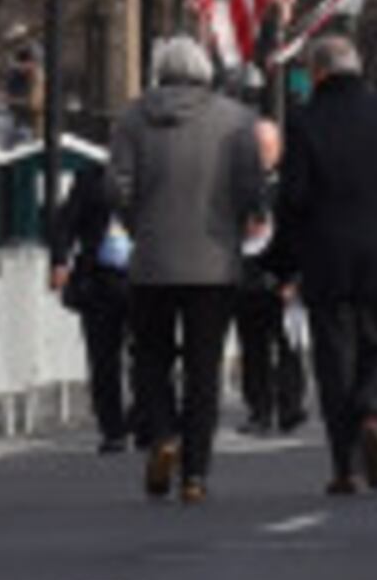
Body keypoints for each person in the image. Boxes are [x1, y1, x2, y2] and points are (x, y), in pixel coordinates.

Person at [110, 35, 267, 505]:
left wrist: (140, 224)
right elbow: (252, 190)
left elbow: (117, 188)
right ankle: (195, 471)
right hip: (214, 261)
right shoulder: (236, 121)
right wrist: (237, 224)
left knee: (150, 359)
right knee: (204, 368)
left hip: (153, 259)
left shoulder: (132, 119)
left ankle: (162, 435)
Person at [274, 35, 377, 495]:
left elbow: (294, 199)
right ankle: (374, 415)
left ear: (318, 72)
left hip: (326, 257)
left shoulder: (304, 121)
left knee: (334, 361)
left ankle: (346, 466)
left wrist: (286, 262)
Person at [45, 140, 134, 453]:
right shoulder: (90, 181)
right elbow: (65, 224)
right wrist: (59, 261)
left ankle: (145, 416)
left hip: (144, 280)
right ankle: (113, 429)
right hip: (100, 280)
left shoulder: (155, 181)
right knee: (103, 358)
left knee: (149, 355)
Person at [231, 114, 308, 436]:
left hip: (282, 276)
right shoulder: (235, 186)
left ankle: (291, 406)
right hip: (246, 275)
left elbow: (303, 230)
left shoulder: (290, 186)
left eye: (268, 147)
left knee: (287, 344)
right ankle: (258, 409)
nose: (262, 153)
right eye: (257, 147)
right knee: (253, 347)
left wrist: (296, 277)